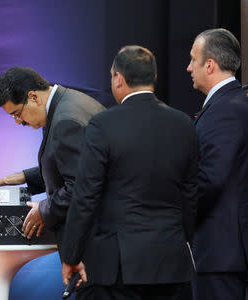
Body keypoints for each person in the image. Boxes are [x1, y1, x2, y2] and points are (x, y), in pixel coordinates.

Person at [61, 45, 199, 300]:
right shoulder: (184, 125)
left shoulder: (103, 125)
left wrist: (71, 254)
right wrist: (181, 241)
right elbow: (190, 196)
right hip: (172, 264)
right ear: (153, 77)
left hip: (119, 270)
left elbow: (85, 197)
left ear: (119, 78)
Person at [0, 66, 105, 298]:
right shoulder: (69, 102)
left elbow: (80, 186)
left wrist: (44, 209)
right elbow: (71, 164)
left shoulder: (65, 121)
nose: (18, 122)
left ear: (33, 97)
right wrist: (22, 177)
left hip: (93, 244)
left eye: (17, 114)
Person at [186, 28, 248, 300]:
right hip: (221, 252)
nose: (189, 68)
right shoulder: (229, 103)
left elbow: (210, 179)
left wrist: (177, 218)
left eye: (192, 60)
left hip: (220, 253)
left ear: (209, 65)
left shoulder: (227, 109)